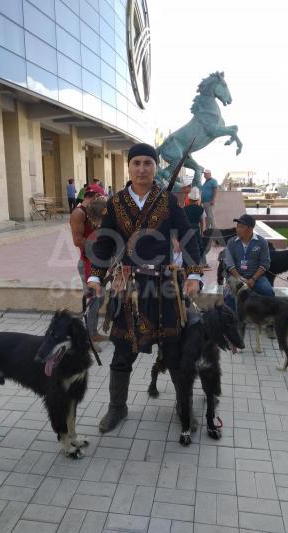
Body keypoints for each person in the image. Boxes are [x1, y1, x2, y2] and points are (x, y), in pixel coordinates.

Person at [87, 142, 202, 433]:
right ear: (129, 167)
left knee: (174, 351)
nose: (141, 169)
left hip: (165, 287)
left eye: (147, 163)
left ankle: (184, 406)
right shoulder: (115, 203)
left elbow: (187, 235)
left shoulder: (168, 200)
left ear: (155, 167)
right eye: (136, 163)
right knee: (123, 350)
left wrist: (194, 274)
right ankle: (117, 407)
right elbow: (104, 243)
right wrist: (95, 278)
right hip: (129, 287)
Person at [70, 183, 107, 347]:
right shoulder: (79, 213)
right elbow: (77, 240)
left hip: (98, 262)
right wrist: (100, 245)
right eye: (101, 198)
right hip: (87, 262)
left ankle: (92, 332)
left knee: (100, 298)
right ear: (95, 197)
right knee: (93, 300)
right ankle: (88, 338)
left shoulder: (94, 212)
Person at [224, 214, 274, 309]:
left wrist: (253, 279)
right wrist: (239, 278)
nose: (237, 229)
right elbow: (229, 264)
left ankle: (265, 317)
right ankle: (232, 317)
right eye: (237, 226)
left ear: (250, 228)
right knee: (228, 294)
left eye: (241, 227)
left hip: (257, 277)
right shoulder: (231, 242)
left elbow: (265, 263)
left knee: (267, 291)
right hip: (236, 277)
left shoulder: (261, 242)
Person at [184, 186, 206, 265]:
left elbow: (183, 221)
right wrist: (202, 232)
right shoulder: (201, 209)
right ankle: (202, 263)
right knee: (200, 246)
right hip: (196, 229)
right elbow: (202, 222)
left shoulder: (184, 209)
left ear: (189, 199)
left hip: (187, 230)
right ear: (197, 200)